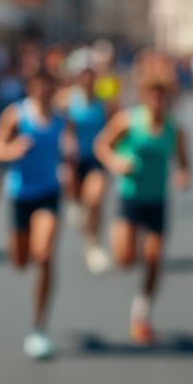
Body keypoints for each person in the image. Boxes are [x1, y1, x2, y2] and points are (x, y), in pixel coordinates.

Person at [93, 61, 190, 345]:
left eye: (163, 95)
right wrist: (116, 162)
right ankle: (120, 239)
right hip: (131, 197)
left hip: (157, 200)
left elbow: (184, 162)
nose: (158, 100)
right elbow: (102, 145)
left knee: (154, 259)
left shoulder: (175, 129)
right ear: (145, 96)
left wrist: (183, 175)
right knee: (125, 259)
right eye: (153, 94)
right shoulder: (128, 120)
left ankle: (142, 312)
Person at [0, 68, 64, 360]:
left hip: (49, 194)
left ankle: (39, 327)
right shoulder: (16, 115)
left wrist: (70, 168)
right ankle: (30, 251)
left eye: (48, 85)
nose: (44, 91)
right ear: (31, 87)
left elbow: (70, 149)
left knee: (44, 255)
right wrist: (12, 151)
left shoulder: (61, 118)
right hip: (21, 195)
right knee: (21, 262)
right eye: (39, 85)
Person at [63, 61, 113, 274]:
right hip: (73, 161)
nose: (87, 79)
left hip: (96, 159)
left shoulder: (104, 101)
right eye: (83, 74)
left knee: (95, 198)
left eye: (90, 74)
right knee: (79, 201)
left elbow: (114, 127)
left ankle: (93, 244)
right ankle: (76, 204)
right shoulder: (67, 99)